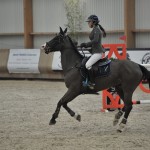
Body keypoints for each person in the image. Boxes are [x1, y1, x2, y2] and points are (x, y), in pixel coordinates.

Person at [80, 15, 106, 88]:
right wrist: (86, 46)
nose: (88, 23)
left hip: (98, 52)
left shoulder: (97, 30)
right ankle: (87, 80)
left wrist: (86, 44)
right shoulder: (95, 29)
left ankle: (92, 82)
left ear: (93, 22)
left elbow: (95, 40)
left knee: (88, 65)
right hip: (95, 52)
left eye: (89, 22)